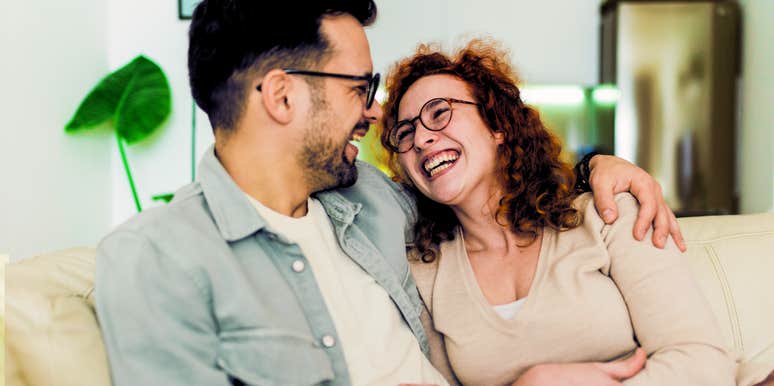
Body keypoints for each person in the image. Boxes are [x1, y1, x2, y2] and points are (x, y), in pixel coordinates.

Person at [95, 1, 684, 385]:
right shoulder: (157, 260)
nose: (376, 114)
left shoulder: (372, 200)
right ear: (281, 97)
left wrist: (596, 169)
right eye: (360, 87)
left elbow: (485, 190)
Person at [378, 39, 737, 386]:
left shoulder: (607, 215)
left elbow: (702, 363)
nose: (421, 140)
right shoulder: (424, 272)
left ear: (496, 125)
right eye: (405, 133)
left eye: (440, 113)